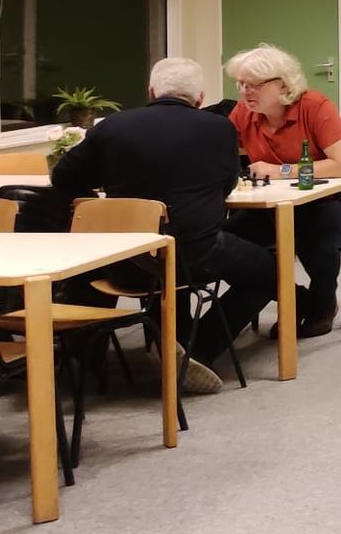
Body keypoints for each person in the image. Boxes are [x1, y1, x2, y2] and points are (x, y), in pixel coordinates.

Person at [48, 57, 274, 395]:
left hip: (127, 259)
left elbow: (63, 178)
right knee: (268, 272)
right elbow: (227, 184)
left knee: (144, 267)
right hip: (193, 254)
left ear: (151, 91)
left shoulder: (113, 127)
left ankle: (90, 360)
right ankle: (197, 348)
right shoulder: (219, 128)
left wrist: (102, 194)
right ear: (200, 98)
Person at [224, 43, 341, 338]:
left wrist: (281, 170)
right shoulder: (243, 112)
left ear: (282, 84)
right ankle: (298, 299)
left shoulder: (315, 106)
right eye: (241, 84)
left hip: (325, 198)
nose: (245, 92)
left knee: (316, 243)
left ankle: (322, 305)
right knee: (223, 244)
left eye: (254, 85)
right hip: (271, 203)